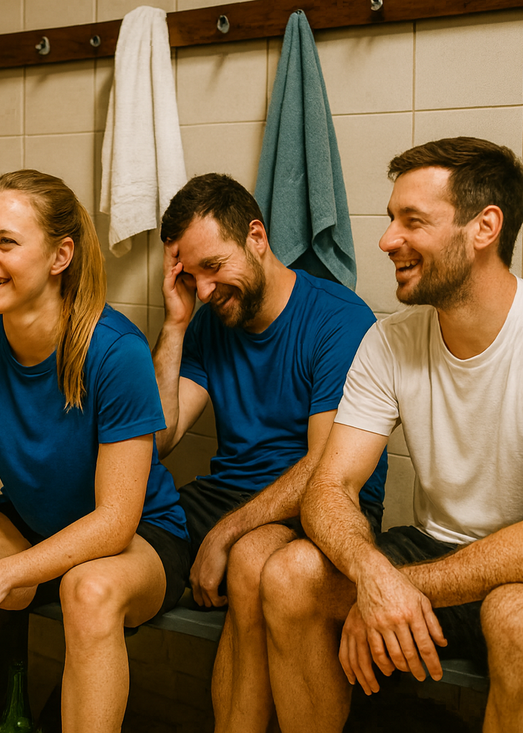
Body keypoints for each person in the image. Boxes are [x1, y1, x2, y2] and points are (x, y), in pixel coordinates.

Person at [261, 137, 523, 732]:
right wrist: (370, 575)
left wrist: (399, 587)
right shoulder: (391, 339)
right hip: (435, 547)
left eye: (413, 221)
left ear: (484, 228)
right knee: (289, 574)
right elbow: (330, 487)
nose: (386, 240)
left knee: (519, 617)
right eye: (390, 219)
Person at [0, 170, 190, 733]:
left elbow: (115, 522)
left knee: (88, 589)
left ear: (59, 255)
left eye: (5, 242)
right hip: (32, 522)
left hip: (140, 535)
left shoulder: (114, 350)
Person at [151, 172, 387, 732]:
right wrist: (177, 324)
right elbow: (160, 438)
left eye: (214, 267)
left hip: (322, 502)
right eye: (191, 275)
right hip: (231, 494)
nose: (205, 289)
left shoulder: (339, 319)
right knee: (114, 533)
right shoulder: (208, 321)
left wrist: (227, 534)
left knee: (254, 559)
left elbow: (327, 467)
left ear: (257, 236)